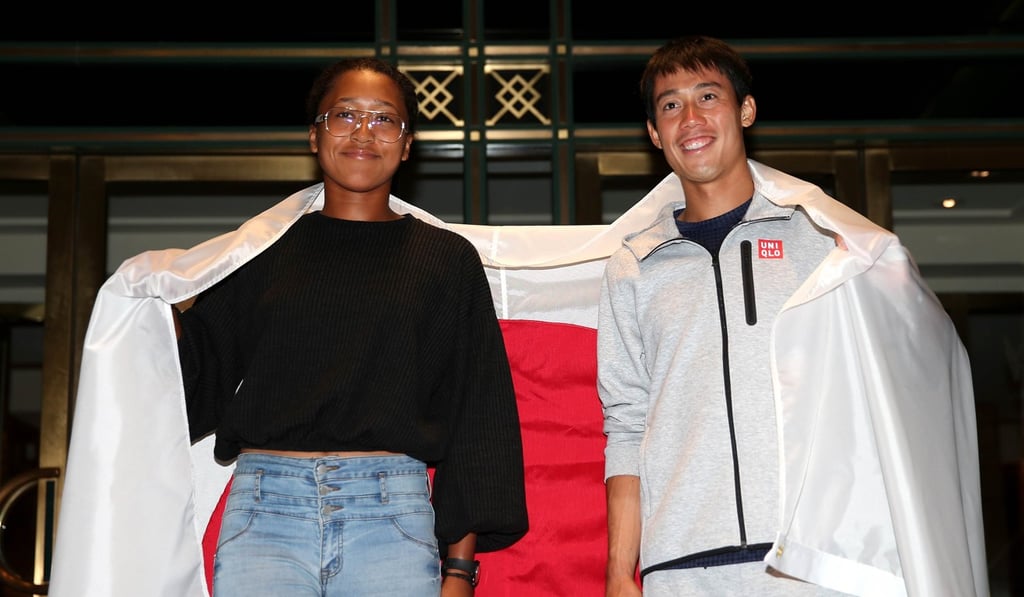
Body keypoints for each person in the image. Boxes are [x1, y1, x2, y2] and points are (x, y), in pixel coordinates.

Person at [597, 36, 988, 596]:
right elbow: (626, 424)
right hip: (681, 567)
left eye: (708, 96)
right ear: (655, 133)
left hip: (811, 559)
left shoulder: (825, 240)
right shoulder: (633, 265)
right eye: (671, 104)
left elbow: (902, 375)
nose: (691, 118)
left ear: (746, 110)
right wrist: (619, 571)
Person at [170, 57, 528, 595]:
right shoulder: (259, 250)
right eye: (345, 115)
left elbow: (476, 413)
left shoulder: (446, 260)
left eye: (384, 119)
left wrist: (459, 570)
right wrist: (156, 310)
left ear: (407, 145)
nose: (363, 132)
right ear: (315, 136)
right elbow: (196, 377)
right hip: (265, 514)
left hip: (392, 518)